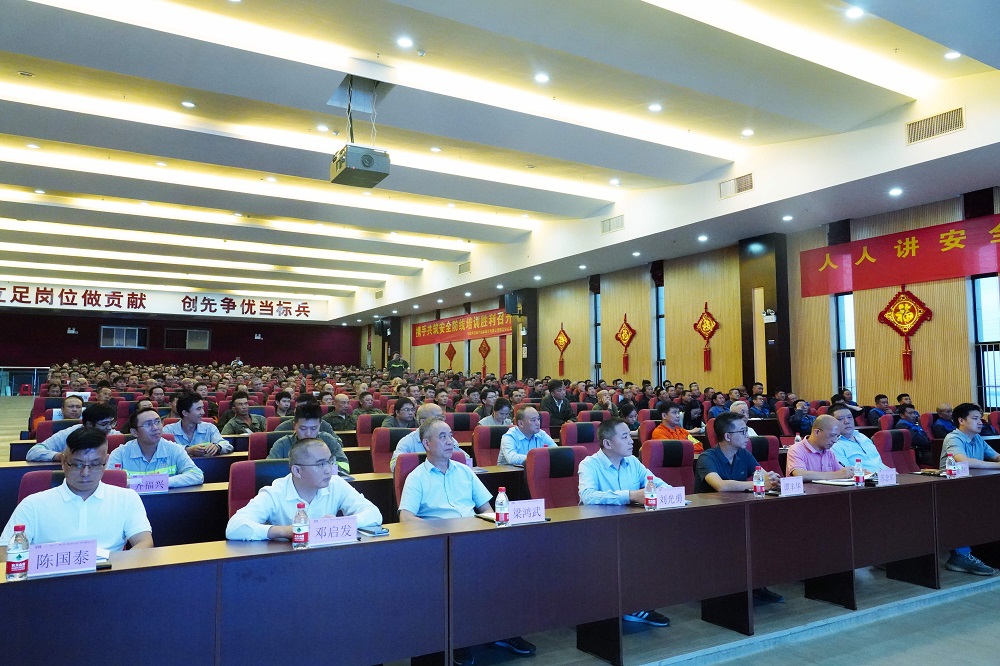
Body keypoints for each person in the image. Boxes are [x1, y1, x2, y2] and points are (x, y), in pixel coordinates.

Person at [398, 419, 533, 660]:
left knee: (512, 565)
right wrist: (439, 530)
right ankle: (458, 639)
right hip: (440, 545)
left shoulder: (464, 471)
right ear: (426, 444)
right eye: (442, 437)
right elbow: (406, 518)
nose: (450, 441)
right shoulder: (416, 477)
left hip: (474, 539)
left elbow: (486, 508)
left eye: (450, 435)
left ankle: (504, 632)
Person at [577, 418, 672, 627]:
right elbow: (588, 496)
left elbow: (658, 484)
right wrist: (630, 495)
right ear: (607, 443)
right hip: (597, 531)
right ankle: (624, 606)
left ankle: (636, 604)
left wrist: (671, 494)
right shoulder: (589, 464)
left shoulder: (633, 463)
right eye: (625, 436)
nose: (631, 441)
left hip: (630, 527)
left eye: (630, 435)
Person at [2, 427, 153, 551]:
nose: (85, 473)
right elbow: (4, 551)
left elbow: (145, 543)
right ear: (63, 462)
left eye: (95, 464)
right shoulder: (33, 504)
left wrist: (118, 567)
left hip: (108, 574)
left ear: (106, 462)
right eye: (77, 464)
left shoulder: (127, 498)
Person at [227, 438, 382, 540]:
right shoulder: (275, 492)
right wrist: (289, 531)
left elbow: (374, 514)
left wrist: (340, 523)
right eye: (320, 464)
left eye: (330, 461)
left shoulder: (336, 483)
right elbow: (234, 527)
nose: (329, 469)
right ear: (297, 471)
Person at [939, 403, 999, 576]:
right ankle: (961, 556)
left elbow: (996, 456)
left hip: (973, 487)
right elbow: (963, 461)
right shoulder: (953, 438)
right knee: (961, 509)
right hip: (949, 489)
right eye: (975, 418)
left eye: (980, 418)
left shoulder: (977, 438)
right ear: (961, 420)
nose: (980, 422)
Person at [107, 407, 204, 487]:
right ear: (134, 432)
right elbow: (109, 481)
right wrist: (148, 482)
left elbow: (197, 475)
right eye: (148, 424)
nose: (155, 428)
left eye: (157, 422)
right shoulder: (120, 453)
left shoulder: (174, 449)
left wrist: (160, 481)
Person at [267, 404, 349, 474]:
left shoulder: (328, 440)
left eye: (313, 428)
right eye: (303, 429)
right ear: (294, 425)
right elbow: (269, 471)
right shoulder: (282, 444)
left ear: (320, 425)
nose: (308, 434)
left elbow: (345, 468)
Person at [389, 403, 470, 472]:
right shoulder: (408, 441)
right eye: (438, 418)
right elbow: (395, 465)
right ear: (423, 422)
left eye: (443, 417)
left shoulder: (448, 439)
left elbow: (466, 459)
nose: (442, 421)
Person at [27, 402, 119, 462]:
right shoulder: (69, 433)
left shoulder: (114, 435)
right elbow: (33, 452)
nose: (109, 427)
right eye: (104, 424)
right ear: (89, 424)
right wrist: (60, 456)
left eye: (112, 423)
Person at [786, 414, 851, 480]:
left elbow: (842, 472)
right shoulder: (796, 449)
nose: (835, 440)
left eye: (837, 436)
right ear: (817, 432)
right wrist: (836, 475)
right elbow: (800, 475)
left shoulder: (828, 452)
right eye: (832, 435)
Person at [165, 392, 232, 454]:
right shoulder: (168, 430)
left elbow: (227, 445)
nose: (203, 412)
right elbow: (164, 448)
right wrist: (187, 450)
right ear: (185, 413)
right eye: (198, 409)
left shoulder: (209, 428)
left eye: (202, 408)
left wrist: (218, 447)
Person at [829, 403, 887, 473]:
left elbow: (879, 463)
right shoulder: (834, 445)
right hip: (867, 478)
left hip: (886, 475)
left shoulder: (862, 437)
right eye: (840, 419)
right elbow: (847, 472)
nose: (847, 421)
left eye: (849, 417)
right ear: (831, 423)